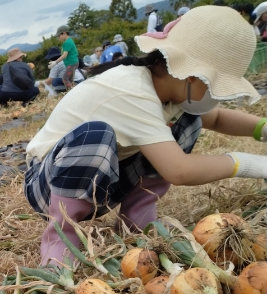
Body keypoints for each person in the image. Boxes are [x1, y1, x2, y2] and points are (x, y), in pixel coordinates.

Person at [23, 6, 267, 267]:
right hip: (49, 184)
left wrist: (262, 128)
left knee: (188, 122)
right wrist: (252, 164)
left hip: (102, 179)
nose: (216, 96)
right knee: (96, 135)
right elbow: (179, 170)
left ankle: (136, 219)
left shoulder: (170, 92)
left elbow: (217, 118)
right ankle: (61, 238)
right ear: (194, 76)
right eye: (217, 87)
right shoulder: (133, 91)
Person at [49, 26, 79, 90]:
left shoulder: (67, 42)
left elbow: (64, 55)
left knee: (65, 79)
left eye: (59, 36)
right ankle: (74, 89)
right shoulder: (69, 41)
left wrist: (56, 62)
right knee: (70, 79)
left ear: (64, 33)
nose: (59, 38)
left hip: (71, 64)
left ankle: (70, 91)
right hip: (73, 63)